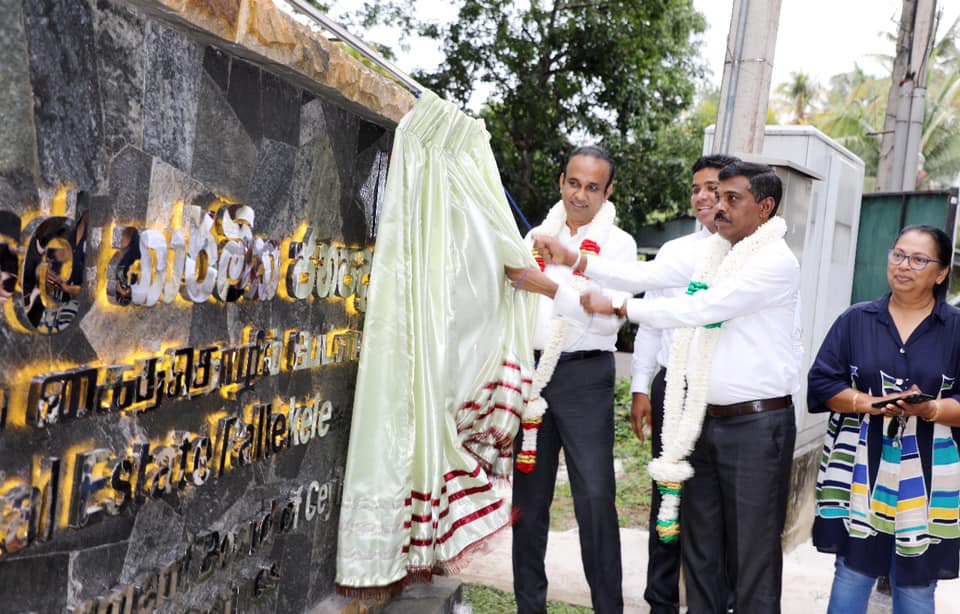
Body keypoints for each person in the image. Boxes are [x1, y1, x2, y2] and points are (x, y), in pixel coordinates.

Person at [516, 161, 801, 613]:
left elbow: (702, 307)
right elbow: (648, 277)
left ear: (764, 207)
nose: (718, 208)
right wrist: (573, 259)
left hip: (756, 425)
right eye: (714, 195)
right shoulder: (713, 252)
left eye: (732, 199)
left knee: (752, 557)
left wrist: (619, 308)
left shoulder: (774, 261)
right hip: (701, 419)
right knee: (701, 547)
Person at [507, 145, 636, 614]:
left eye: (593, 187)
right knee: (529, 503)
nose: (581, 195)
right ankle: (529, 607)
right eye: (574, 183)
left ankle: (608, 608)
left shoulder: (619, 245)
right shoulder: (533, 237)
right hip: (533, 377)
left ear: (608, 191)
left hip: (586, 378)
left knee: (596, 499)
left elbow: (605, 324)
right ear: (561, 181)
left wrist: (550, 287)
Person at [807, 224, 960, 613]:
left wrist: (930, 410)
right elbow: (822, 383)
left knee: (915, 586)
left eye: (918, 259)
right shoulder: (856, 320)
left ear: (941, 273)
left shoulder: (956, 328)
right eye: (898, 255)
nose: (903, 265)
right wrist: (867, 403)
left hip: (928, 475)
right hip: (862, 465)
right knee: (852, 572)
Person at [630, 153, 739, 613]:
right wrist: (640, 386)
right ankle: (660, 600)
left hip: (723, 397)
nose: (702, 197)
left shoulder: (748, 256)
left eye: (713, 188)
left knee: (717, 507)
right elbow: (651, 324)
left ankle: (713, 600)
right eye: (696, 188)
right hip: (672, 388)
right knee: (667, 495)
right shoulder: (675, 253)